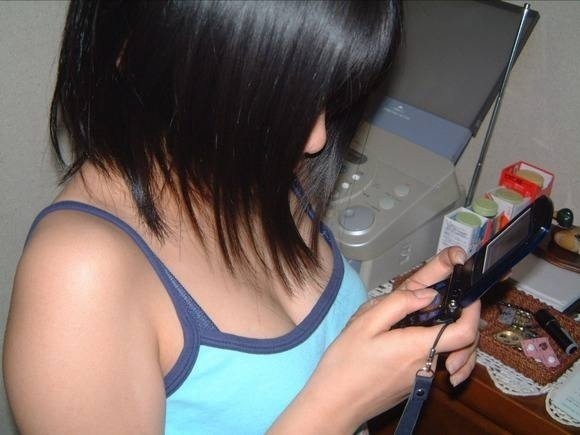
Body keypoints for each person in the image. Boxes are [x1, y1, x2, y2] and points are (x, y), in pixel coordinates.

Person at [3, 1, 480, 433]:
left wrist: (397, 330)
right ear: (145, 53)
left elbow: (295, 368)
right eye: (281, 93)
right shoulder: (78, 275)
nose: (316, 139)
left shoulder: (247, 168)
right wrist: (342, 404)